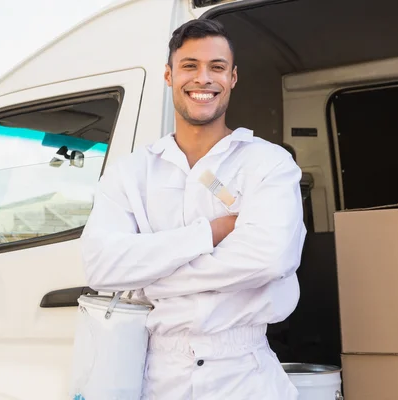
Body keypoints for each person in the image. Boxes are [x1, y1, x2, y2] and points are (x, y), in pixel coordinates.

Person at [80, 18, 306, 400]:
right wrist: (210, 233)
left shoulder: (268, 163)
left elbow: (268, 258)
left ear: (232, 78)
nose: (203, 79)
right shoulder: (131, 172)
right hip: (157, 376)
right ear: (169, 76)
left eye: (216, 67)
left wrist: (148, 277)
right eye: (190, 66)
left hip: (244, 373)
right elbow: (100, 266)